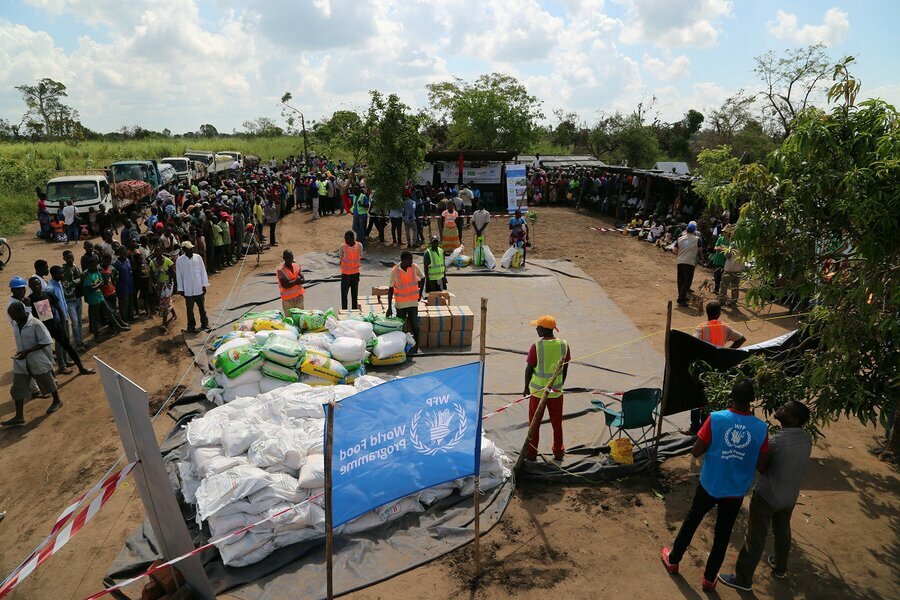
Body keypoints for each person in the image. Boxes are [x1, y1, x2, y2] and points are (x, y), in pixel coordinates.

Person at [661, 380, 769, 592]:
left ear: (731, 397)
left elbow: (696, 451)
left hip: (710, 484)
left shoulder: (717, 418)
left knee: (692, 520)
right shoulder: (760, 428)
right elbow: (762, 465)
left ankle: (673, 560)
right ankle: (710, 579)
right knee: (723, 533)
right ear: (752, 402)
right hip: (736, 490)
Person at [719, 401, 812, 591]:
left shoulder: (777, 442)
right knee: (783, 531)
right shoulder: (806, 439)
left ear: (793, 419)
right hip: (789, 496)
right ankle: (780, 567)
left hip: (767, 495)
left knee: (755, 537)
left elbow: (762, 467)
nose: (780, 408)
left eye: (785, 409)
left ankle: (743, 579)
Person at [2, 300, 63, 427]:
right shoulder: (16, 323)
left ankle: (57, 400)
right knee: (18, 388)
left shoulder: (36, 324)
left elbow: (46, 341)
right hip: (21, 362)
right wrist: (22, 353)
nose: (13, 319)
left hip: (37, 360)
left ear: (21, 312)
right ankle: (19, 417)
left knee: (47, 382)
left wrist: (28, 351)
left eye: (14, 315)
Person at [523, 315, 570, 461]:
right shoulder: (564, 345)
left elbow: (529, 369)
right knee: (557, 423)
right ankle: (558, 452)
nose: (536, 329)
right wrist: (560, 385)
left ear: (544, 330)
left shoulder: (537, 347)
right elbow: (565, 368)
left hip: (538, 393)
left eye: (538, 327)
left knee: (534, 423)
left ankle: (531, 453)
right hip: (556, 393)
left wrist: (525, 387)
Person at [27, 275, 94, 376]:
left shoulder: (48, 294)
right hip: (41, 329)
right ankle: (52, 377)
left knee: (68, 346)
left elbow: (59, 309)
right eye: (34, 285)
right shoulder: (29, 300)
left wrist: (63, 324)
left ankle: (81, 368)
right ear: (30, 287)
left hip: (54, 326)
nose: (37, 287)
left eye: (38, 284)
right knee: (46, 354)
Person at [387, 250, 424, 352]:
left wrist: (420, 293)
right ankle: (401, 349)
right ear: (404, 260)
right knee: (400, 328)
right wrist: (389, 307)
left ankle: (416, 348)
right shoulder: (395, 271)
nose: (412, 261)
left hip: (412, 303)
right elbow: (390, 289)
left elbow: (423, 277)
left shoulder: (414, 267)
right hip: (400, 305)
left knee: (415, 326)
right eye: (410, 259)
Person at [175, 241, 209, 334]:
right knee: (190, 309)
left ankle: (205, 323)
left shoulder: (198, 258)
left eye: (191, 248)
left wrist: (204, 285)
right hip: (188, 289)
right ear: (184, 249)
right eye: (188, 248)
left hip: (198, 287)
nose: (191, 250)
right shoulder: (180, 260)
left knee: (202, 307)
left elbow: (202, 271)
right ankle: (191, 326)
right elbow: (179, 275)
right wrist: (181, 289)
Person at [60, 250, 85, 350]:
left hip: (78, 297)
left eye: (72, 257)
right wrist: (79, 280)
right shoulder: (63, 270)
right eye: (68, 257)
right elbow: (65, 285)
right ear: (64, 259)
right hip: (70, 299)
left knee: (79, 321)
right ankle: (78, 343)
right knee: (75, 322)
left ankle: (80, 341)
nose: (71, 259)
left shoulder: (75, 267)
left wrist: (80, 278)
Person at [149, 246, 177, 331]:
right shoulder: (152, 263)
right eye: (155, 251)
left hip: (167, 285)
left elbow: (173, 274)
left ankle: (164, 323)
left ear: (162, 252)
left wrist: (175, 285)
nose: (156, 253)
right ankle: (174, 314)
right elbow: (151, 275)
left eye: (158, 251)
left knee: (164, 303)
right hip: (158, 285)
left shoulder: (168, 261)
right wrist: (151, 285)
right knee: (166, 301)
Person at [674, 221, 699, 307]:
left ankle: (682, 296)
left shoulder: (680, 238)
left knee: (680, 280)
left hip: (680, 261)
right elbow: (700, 250)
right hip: (689, 262)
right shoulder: (697, 239)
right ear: (694, 230)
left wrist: (681, 254)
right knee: (687, 281)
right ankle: (681, 298)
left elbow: (674, 250)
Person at [339, 231, 362, 310]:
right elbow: (341, 258)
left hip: (355, 274)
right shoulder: (342, 247)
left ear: (353, 238)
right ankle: (344, 311)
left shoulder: (359, 246)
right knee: (344, 295)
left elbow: (359, 255)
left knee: (354, 294)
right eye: (345, 239)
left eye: (347, 239)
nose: (345, 240)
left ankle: (354, 310)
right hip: (345, 274)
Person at [112, 247, 135, 323]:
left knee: (130, 302)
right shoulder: (116, 264)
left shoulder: (128, 261)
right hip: (121, 287)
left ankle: (131, 316)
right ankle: (125, 319)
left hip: (129, 285)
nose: (123, 254)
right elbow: (114, 278)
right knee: (123, 304)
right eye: (121, 253)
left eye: (124, 252)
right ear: (119, 253)